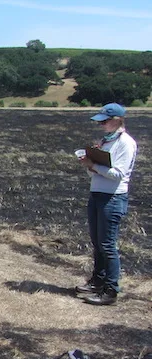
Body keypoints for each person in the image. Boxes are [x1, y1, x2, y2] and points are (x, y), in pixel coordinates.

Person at [75, 103, 138, 305]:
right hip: (97, 194)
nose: (101, 125)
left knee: (107, 245)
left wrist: (93, 164)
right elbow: (95, 172)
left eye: (105, 121)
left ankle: (111, 290)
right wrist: (89, 164)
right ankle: (97, 281)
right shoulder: (105, 141)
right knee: (97, 242)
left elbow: (118, 174)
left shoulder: (126, 143)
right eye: (100, 122)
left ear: (118, 120)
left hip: (112, 197)